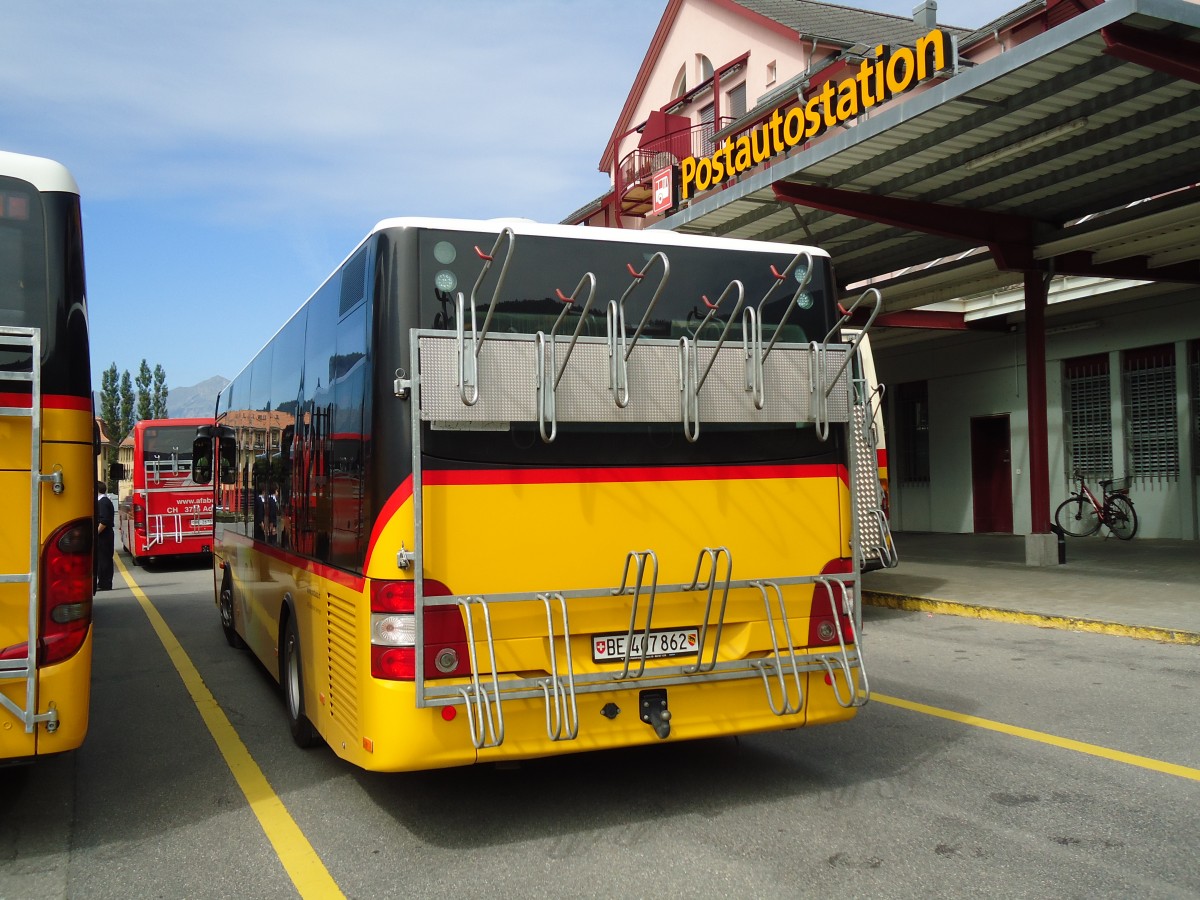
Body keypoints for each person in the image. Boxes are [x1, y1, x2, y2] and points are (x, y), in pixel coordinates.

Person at [95, 480, 115, 591]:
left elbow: (104, 521)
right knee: (101, 559)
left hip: (104, 535)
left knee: (104, 559)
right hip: (104, 535)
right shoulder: (103, 501)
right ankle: (102, 582)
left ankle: (105, 583)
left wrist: (96, 533)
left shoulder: (103, 502)